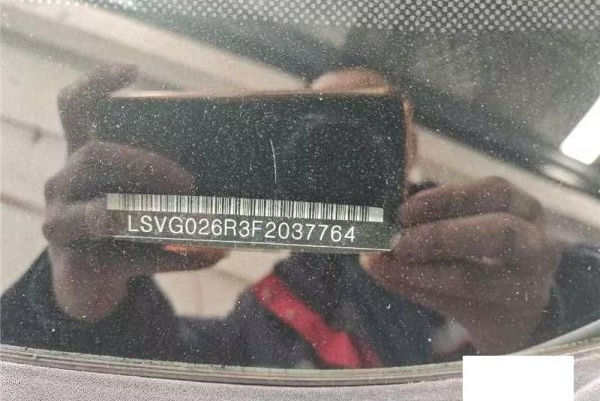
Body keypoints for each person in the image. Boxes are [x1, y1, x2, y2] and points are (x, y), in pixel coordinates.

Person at [0, 65, 564, 368]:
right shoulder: (271, 312)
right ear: (289, 148)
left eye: (364, 124)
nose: (336, 150)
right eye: (317, 124)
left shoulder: (499, 261)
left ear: (406, 145)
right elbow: (169, 396)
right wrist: (80, 298)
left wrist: (530, 336)